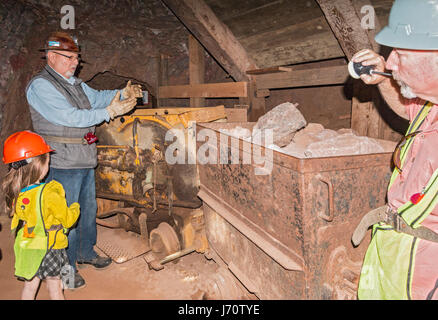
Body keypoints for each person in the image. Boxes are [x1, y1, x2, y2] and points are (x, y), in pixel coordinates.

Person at [25, 31, 142, 289]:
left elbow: (98, 98)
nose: (75, 62)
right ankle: (65, 268)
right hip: (60, 160)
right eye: (69, 57)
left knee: (86, 212)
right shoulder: (42, 86)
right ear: (51, 56)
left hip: (83, 157)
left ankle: (85, 253)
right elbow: (71, 117)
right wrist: (109, 112)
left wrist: (121, 94)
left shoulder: (75, 83)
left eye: (76, 58)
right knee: (63, 218)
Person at [352, 0, 438, 299]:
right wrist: (385, 81)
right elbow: (409, 112)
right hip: (394, 265)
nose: (390, 62)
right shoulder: (431, 105)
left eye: (400, 53)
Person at [2, 130, 80, 300]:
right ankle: (71, 281)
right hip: (50, 248)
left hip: (27, 248)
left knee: (29, 288)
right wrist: (75, 207)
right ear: (41, 164)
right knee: (56, 288)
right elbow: (68, 220)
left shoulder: (17, 192)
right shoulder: (50, 193)